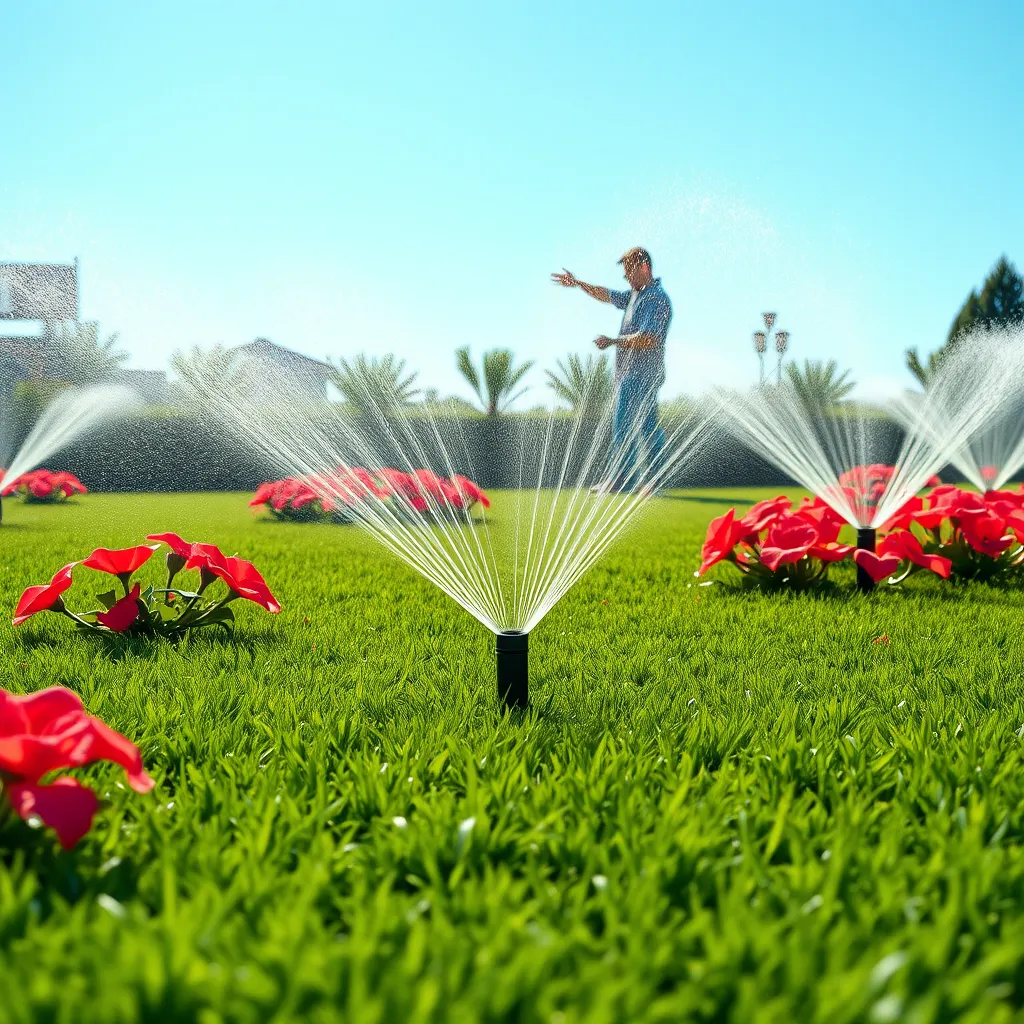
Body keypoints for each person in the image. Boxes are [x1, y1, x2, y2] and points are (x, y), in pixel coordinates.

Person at [550, 247, 672, 492]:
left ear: (644, 267)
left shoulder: (656, 298)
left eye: (629, 270)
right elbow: (605, 295)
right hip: (630, 374)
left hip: (644, 374)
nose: (626, 277)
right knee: (625, 426)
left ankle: (647, 481)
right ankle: (623, 480)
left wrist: (613, 342)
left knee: (643, 427)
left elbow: (649, 338)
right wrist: (577, 283)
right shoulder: (634, 297)